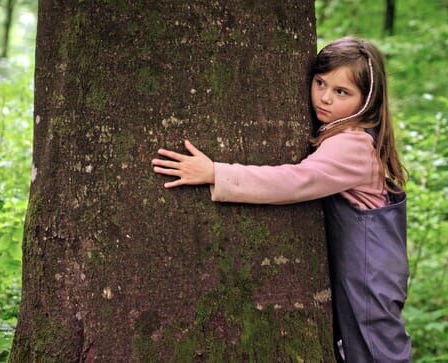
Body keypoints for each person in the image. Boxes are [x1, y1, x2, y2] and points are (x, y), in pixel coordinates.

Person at [152, 36, 411, 362]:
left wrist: (216, 173)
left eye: (341, 92)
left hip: (370, 273)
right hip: (372, 269)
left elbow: (293, 182)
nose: (325, 98)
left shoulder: (352, 144)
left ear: (367, 101)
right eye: (320, 83)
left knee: (376, 352)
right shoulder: (353, 136)